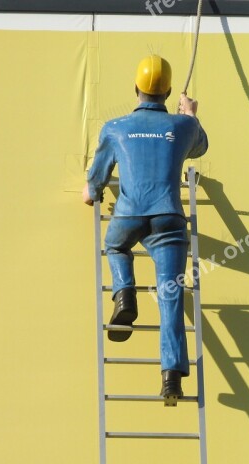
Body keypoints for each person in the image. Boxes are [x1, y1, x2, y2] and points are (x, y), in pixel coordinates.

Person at [83, 55, 208, 400]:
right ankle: (172, 377)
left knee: (116, 246)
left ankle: (125, 293)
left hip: (128, 217)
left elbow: (98, 176)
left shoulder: (114, 127)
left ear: (136, 88)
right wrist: (190, 115)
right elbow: (201, 145)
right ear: (167, 90)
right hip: (169, 219)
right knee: (171, 297)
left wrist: (91, 192)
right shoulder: (181, 127)